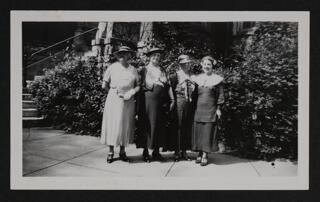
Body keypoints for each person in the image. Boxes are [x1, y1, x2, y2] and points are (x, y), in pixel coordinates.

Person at [100, 46, 140, 163]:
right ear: (118, 56)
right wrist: (113, 92)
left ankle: (122, 151)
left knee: (125, 124)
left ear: (129, 55)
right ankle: (111, 152)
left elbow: (138, 85)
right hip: (114, 99)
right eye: (121, 54)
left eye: (126, 54)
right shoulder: (112, 67)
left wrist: (131, 92)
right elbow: (104, 84)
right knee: (113, 124)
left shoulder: (133, 69)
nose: (123, 56)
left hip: (128, 100)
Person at [136, 47, 175, 162]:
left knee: (159, 126)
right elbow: (138, 86)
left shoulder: (163, 70)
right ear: (149, 57)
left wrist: (171, 99)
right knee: (147, 125)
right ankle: (145, 152)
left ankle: (156, 152)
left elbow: (168, 86)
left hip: (161, 102)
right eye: (154, 55)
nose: (156, 58)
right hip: (147, 101)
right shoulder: (144, 70)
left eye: (158, 56)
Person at [192, 56, 224, 166]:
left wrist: (218, 109)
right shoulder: (197, 79)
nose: (206, 66)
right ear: (202, 65)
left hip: (210, 109)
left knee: (208, 132)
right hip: (199, 109)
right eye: (205, 64)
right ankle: (200, 153)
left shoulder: (217, 79)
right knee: (199, 132)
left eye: (209, 64)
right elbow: (194, 95)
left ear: (212, 66)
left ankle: (205, 155)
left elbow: (220, 95)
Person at [166, 55, 197, 162]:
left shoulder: (192, 75)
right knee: (178, 126)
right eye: (184, 63)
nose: (187, 65)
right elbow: (170, 89)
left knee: (186, 126)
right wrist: (172, 102)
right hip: (179, 101)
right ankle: (177, 151)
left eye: (188, 63)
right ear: (180, 64)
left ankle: (184, 151)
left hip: (190, 103)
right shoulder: (176, 75)